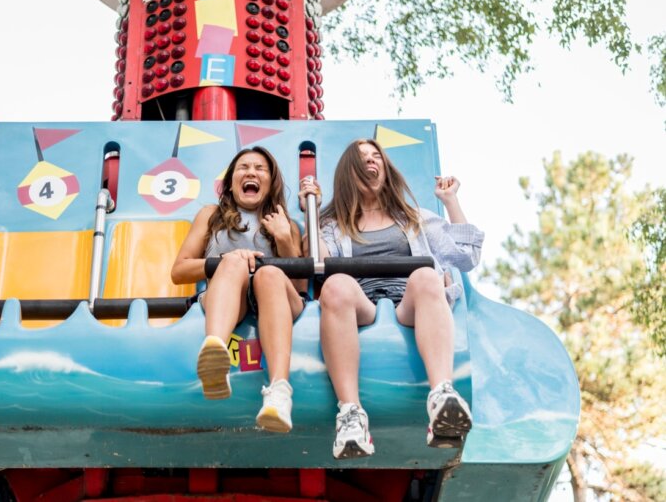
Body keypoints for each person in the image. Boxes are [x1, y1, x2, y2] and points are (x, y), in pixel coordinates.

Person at [299, 138, 484, 459]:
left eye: (377, 157)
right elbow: (317, 262)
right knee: (335, 284)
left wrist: (450, 201)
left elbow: (466, 258)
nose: (372, 162)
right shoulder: (332, 224)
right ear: (349, 172)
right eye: (362, 158)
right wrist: (311, 214)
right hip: (363, 304)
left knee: (427, 274)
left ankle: (442, 395)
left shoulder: (415, 217)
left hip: (409, 303)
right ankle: (350, 413)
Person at [172, 147, 307, 433]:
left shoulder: (287, 223)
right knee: (233, 263)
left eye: (260, 168)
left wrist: (283, 238)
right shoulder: (211, 215)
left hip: (276, 297)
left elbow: (300, 286)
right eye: (243, 167)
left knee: (269, 274)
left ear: (271, 182)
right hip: (230, 296)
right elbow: (179, 270)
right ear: (231, 183)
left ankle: (279, 391)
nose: (251, 172)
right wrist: (223, 260)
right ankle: (215, 356)